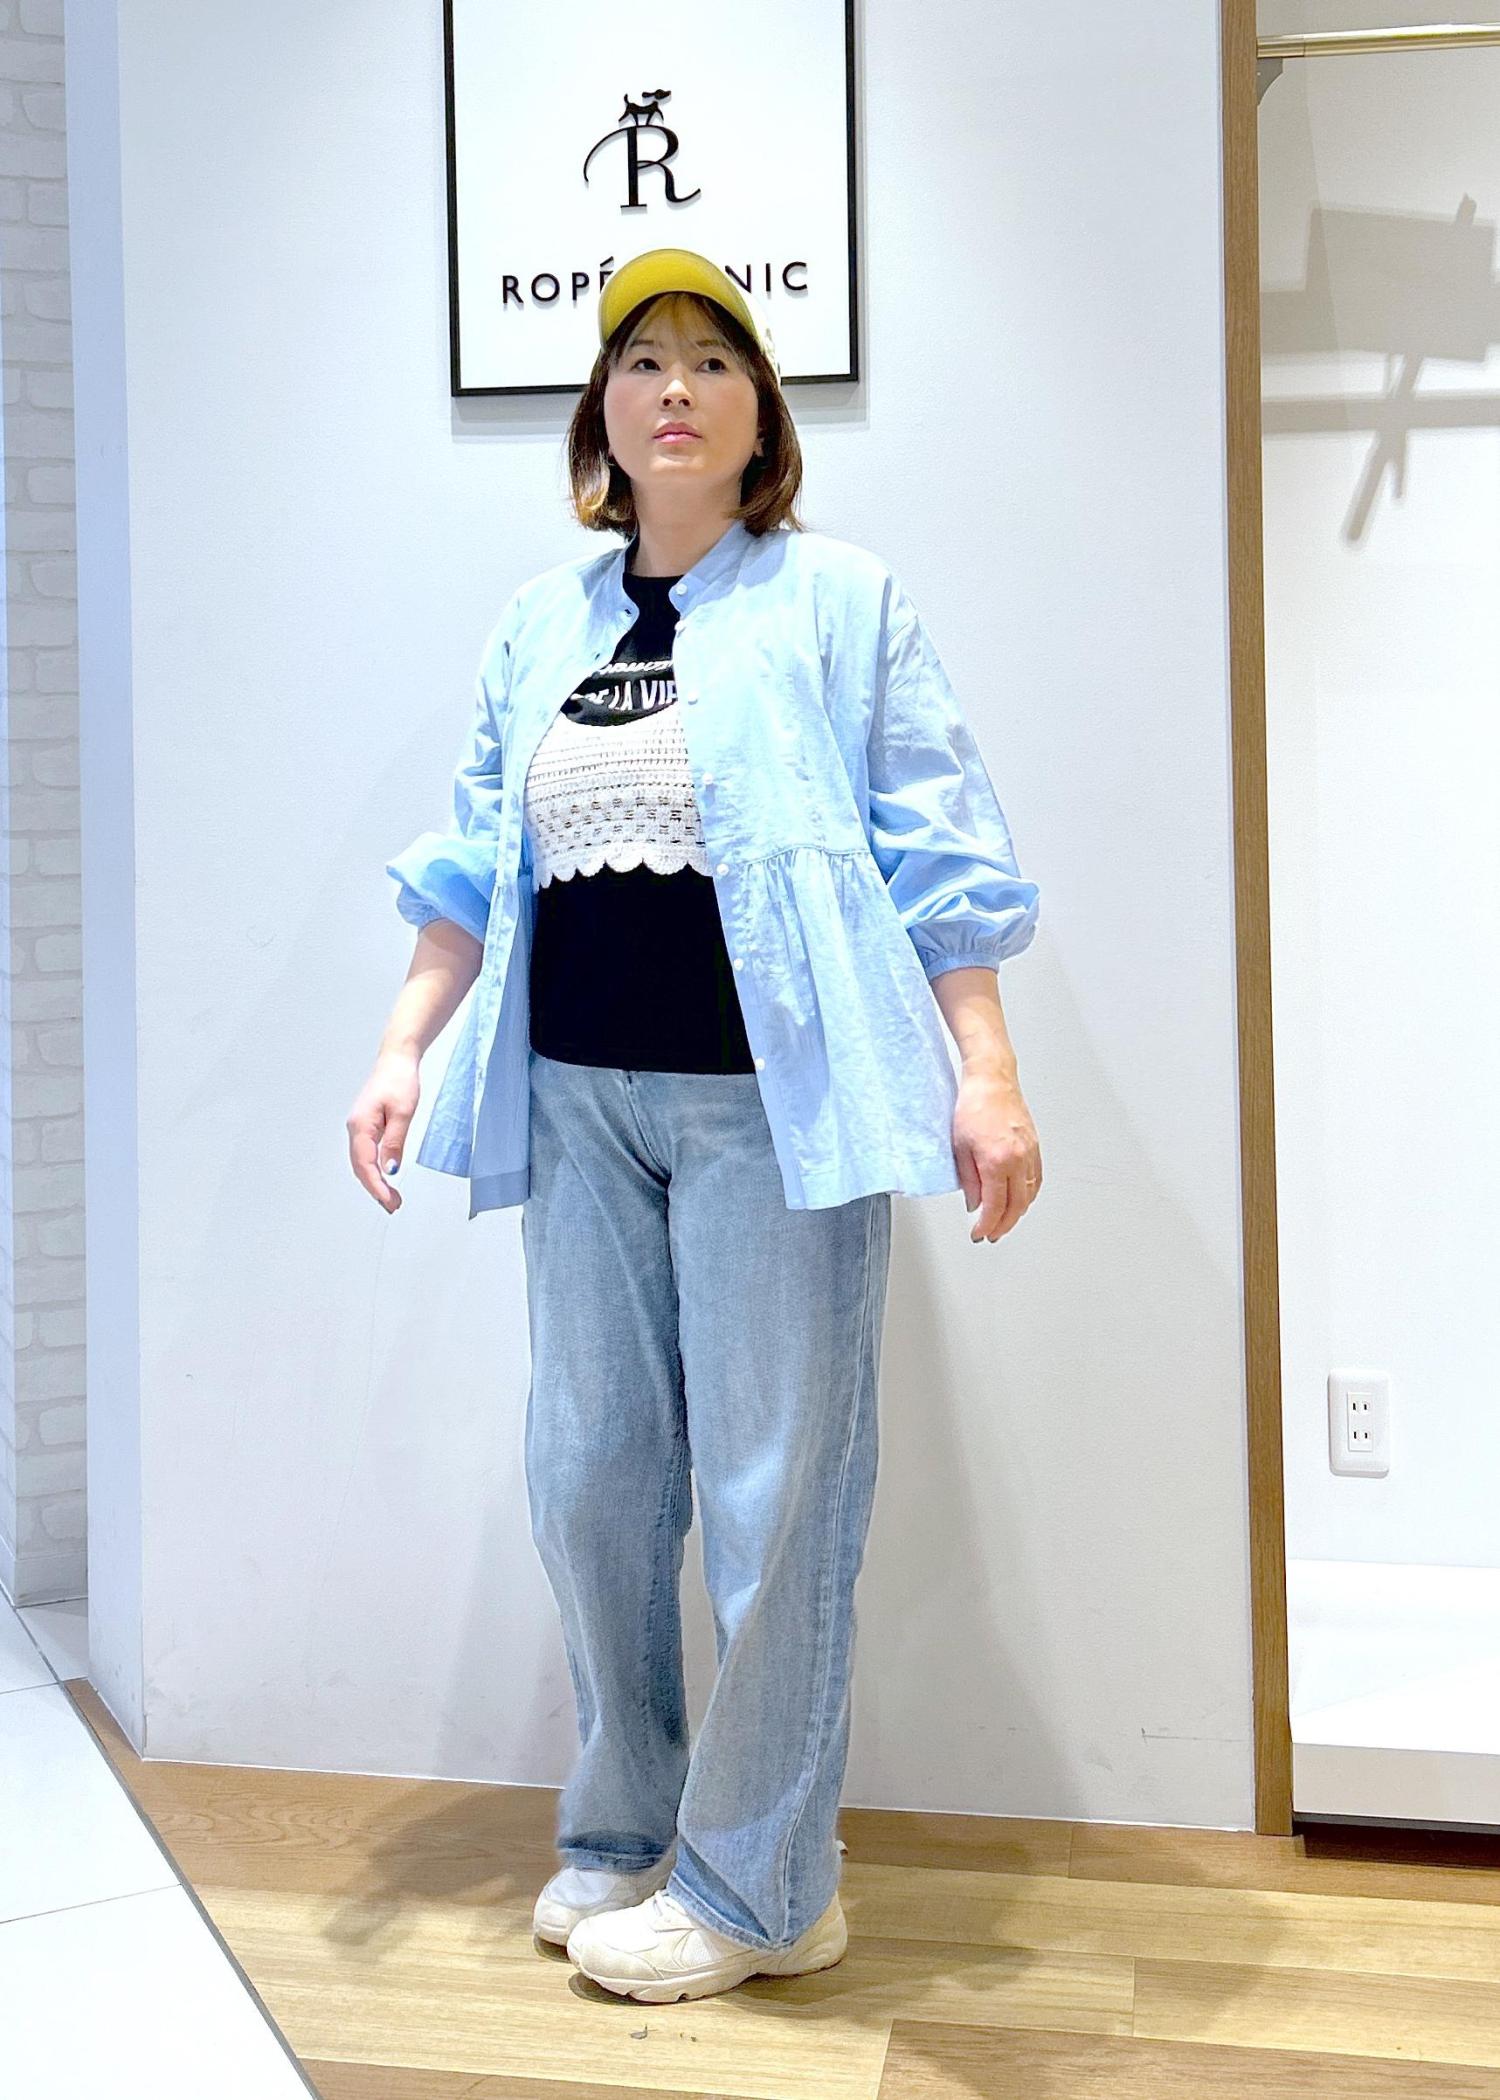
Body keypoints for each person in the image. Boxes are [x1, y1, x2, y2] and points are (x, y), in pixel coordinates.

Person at [346, 247, 1043, 2005]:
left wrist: (986, 1070)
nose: (675, 387)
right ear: (601, 409)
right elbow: (471, 860)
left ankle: (763, 1887)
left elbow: (940, 851)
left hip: (768, 1119)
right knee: (590, 1478)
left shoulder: (839, 602)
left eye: (713, 360)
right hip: (575, 1104)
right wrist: (402, 1049)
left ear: (760, 414)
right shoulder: (544, 622)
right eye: (642, 359)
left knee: (773, 1492)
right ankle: (624, 1826)